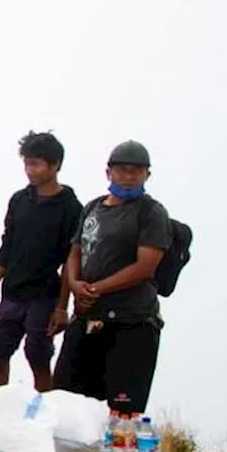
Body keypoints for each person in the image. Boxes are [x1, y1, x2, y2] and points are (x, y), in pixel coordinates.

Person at [53, 141, 171, 415]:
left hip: (132, 321)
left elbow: (146, 266)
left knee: (123, 413)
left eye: (136, 171)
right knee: (65, 404)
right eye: (122, 170)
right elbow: (75, 251)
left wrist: (96, 288)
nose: (128, 177)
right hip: (88, 319)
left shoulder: (151, 212)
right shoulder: (93, 207)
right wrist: (74, 284)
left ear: (147, 175)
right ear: (109, 172)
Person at [0, 131, 83, 390]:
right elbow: (7, 245)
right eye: (26, 163)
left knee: (38, 357)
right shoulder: (19, 200)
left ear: (55, 165)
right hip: (12, 291)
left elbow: (71, 260)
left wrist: (62, 307)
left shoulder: (70, 206)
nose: (30, 170)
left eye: (36, 164)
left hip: (45, 293)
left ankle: (43, 415)